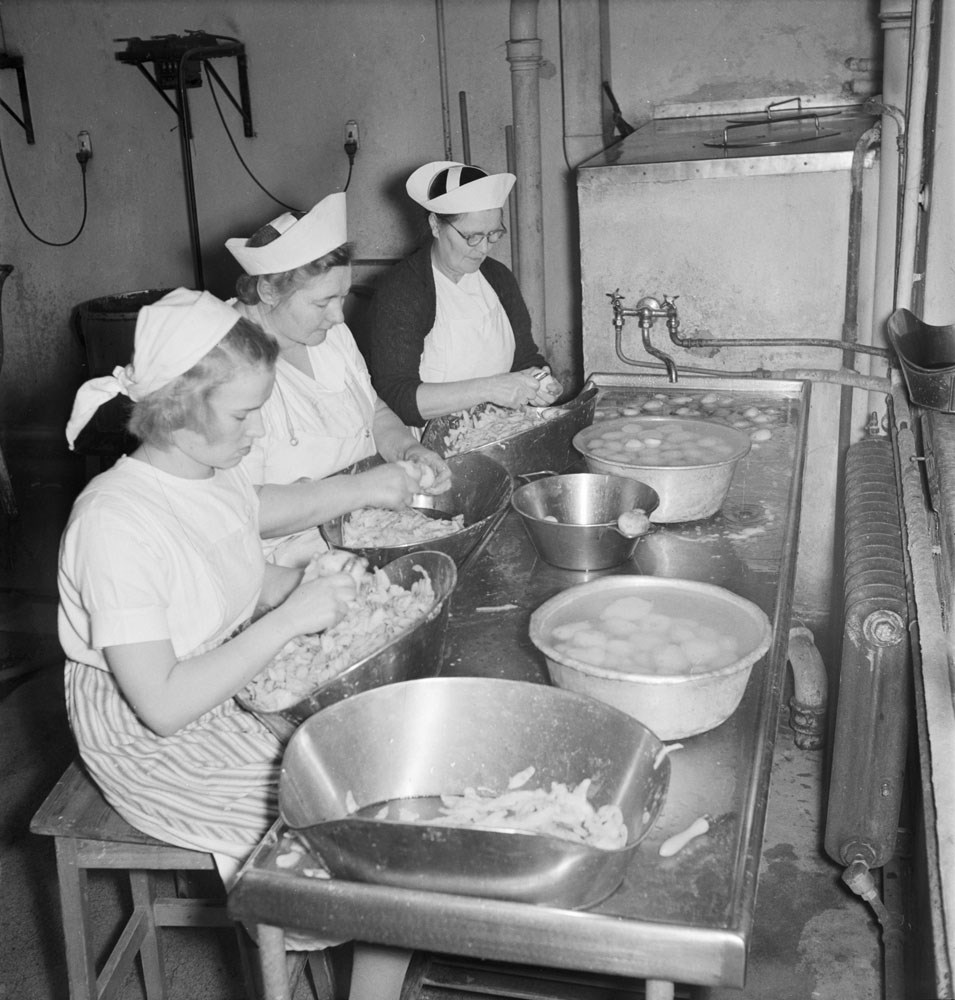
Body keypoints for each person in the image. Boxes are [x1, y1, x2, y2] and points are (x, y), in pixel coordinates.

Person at [58, 288, 358, 889]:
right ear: (176, 414)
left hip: (225, 677)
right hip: (148, 730)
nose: (260, 428)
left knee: (375, 764)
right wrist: (290, 619)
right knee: (342, 835)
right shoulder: (114, 522)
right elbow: (163, 706)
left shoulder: (217, 473)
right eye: (244, 414)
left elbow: (233, 577)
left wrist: (305, 585)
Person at [225, 192, 450, 566]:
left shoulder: (327, 333)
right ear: (268, 290)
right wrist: (362, 489)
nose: (339, 316)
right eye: (322, 302)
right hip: (282, 567)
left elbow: (372, 411)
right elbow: (243, 509)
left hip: (361, 535)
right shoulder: (224, 359)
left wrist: (409, 451)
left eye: (342, 297)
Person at [367, 159, 563, 427]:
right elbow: (396, 396)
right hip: (430, 445)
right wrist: (490, 389)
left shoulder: (497, 277)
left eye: (493, 234)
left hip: (499, 431)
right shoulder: (404, 290)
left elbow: (525, 356)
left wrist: (541, 380)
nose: (483, 249)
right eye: (472, 236)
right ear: (436, 225)